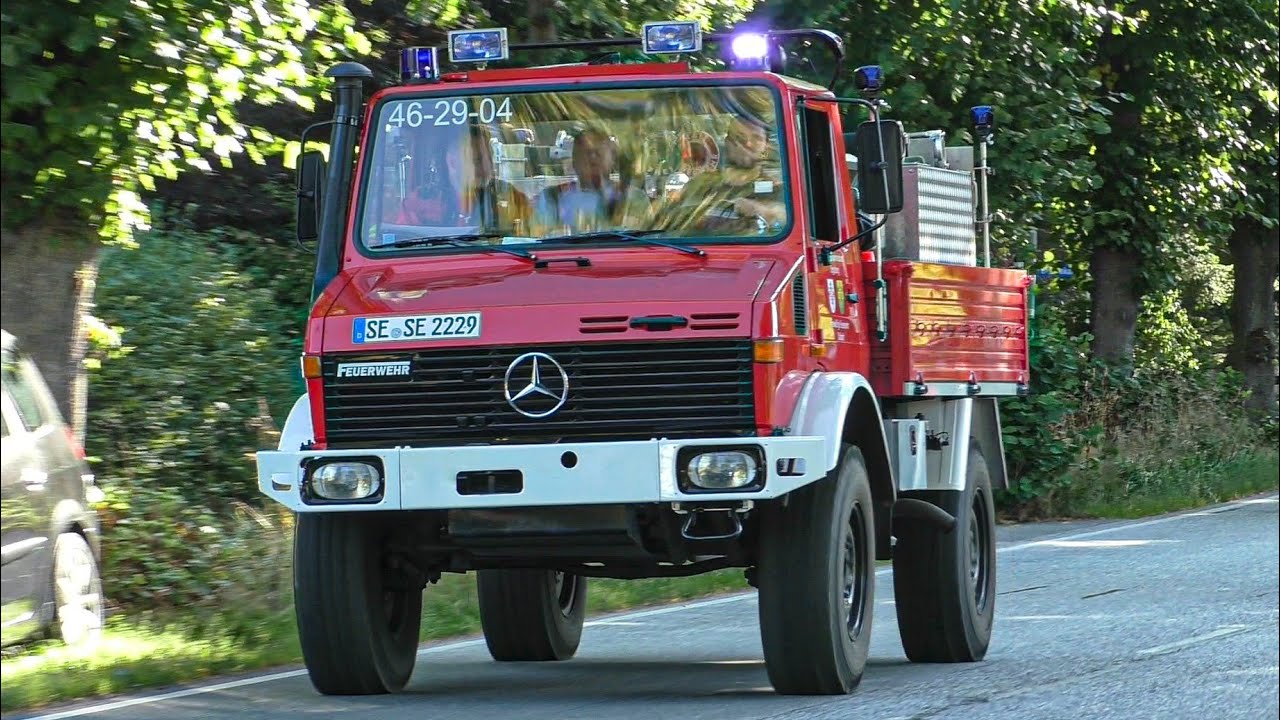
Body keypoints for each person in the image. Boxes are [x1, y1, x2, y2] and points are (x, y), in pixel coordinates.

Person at [394, 123, 532, 234]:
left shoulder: (510, 196)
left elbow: (534, 234)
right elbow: (403, 247)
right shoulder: (419, 204)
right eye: (477, 160)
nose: (487, 167)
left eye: (489, 159)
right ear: (453, 162)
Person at [661, 115, 787, 236]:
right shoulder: (700, 185)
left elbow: (785, 220)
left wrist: (762, 211)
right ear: (727, 142)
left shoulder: (777, 188)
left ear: (766, 147)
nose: (748, 144)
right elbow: (676, 221)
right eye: (739, 137)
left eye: (756, 138)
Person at [535, 125, 651, 235]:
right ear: (574, 161)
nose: (592, 157)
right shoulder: (551, 199)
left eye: (599, 152)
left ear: (612, 160)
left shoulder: (634, 199)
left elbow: (649, 241)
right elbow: (537, 240)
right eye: (585, 152)